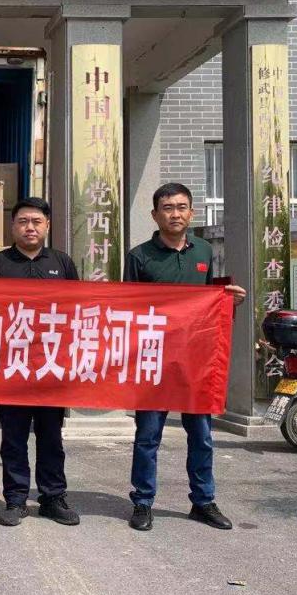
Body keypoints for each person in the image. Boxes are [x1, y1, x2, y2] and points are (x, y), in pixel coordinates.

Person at [124, 182, 246, 532]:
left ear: (191, 213)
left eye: (181, 207)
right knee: (148, 436)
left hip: (195, 359)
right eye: (167, 208)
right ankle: (143, 502)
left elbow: (208, 302)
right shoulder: (139, 256)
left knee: (202, 435)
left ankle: (203, 501)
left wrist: (229, 302)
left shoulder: (204, 251)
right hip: (154, 359)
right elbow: (127, 308)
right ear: (155, 215)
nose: (174, 214)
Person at [0, 198, 81, 528]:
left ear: (47, 225)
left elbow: (76, 311)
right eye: (23, 221)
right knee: (13, 437)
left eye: (37, 221)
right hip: (13, 367)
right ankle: (16, 499)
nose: (30, 228)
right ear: (13, 226)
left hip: (52, 366)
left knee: (51, 437)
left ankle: (53, 497)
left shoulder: (62, 263)